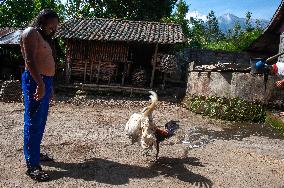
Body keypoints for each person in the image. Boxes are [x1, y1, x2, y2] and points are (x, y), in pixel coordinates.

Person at [20, 9, 59, 181]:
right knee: (33, 121)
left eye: (55, 26)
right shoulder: (31, 33)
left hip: (45, 81)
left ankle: (35, 153)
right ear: (42, 20)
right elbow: (30, 61)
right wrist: (41, 84)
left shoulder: (45, 38)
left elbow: (46, 63)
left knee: (41, 121)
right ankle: (32, 166)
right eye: (51, 24)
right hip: (35, 80)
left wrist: (49, 87)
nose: (53, 28)